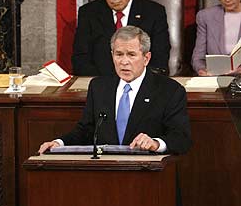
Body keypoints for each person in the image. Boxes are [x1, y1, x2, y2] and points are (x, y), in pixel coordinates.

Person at [39, 26, 191, 154]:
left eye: (131, 55)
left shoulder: (169, 91)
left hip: (148, 173)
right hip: (106, 174)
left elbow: (181, 138)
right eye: (119, 54)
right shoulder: (99, 87)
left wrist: (156, 143)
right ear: (112, 55)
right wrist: (59, 143)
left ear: (146, 58)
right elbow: (86, 130)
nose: (124, 62)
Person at [72, 0, 171, 76]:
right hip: (102, 84)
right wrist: (105, 85)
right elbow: (80, 60)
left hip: (142, 85)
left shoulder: (154, 12)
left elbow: (160, 58)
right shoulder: (89, 13)